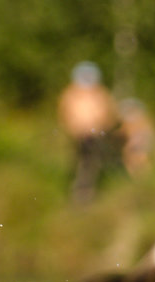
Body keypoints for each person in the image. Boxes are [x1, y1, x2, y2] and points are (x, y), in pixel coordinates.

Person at [58, 61, 117, 203]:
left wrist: (100, 128)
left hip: (93, 134)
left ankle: (83, 191)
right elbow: (66, 114)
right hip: (82, 135)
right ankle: (82, 192)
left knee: (89, 161)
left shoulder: (99, 94)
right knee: (86, 161)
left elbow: (108, 114)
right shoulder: (72, 94)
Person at [118, 98, 154, 178]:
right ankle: (145, 179)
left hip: (136, 143)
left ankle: (138, 179)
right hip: (140, 143)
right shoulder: (143, 119)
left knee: (132, 159)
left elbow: (125, 133)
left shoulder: (130, 121)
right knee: (141, 159)